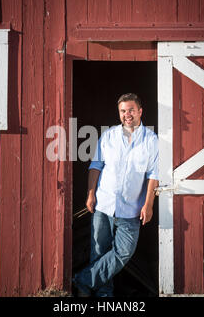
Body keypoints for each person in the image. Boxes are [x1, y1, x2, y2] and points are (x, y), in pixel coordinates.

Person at [72, 93, 159, 297]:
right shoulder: (108, 136)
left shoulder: (151, 141)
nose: (127, 114)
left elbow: (153, 175)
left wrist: (149, 205)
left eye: (130, 110)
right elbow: (95, 166)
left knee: (124, 252)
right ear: (119, 113)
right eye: (122, 111)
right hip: (104, 204)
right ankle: (104, 296)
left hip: (131, 209)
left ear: (140, 111)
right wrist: (90, 194)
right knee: (99, 253)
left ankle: (82, 280)